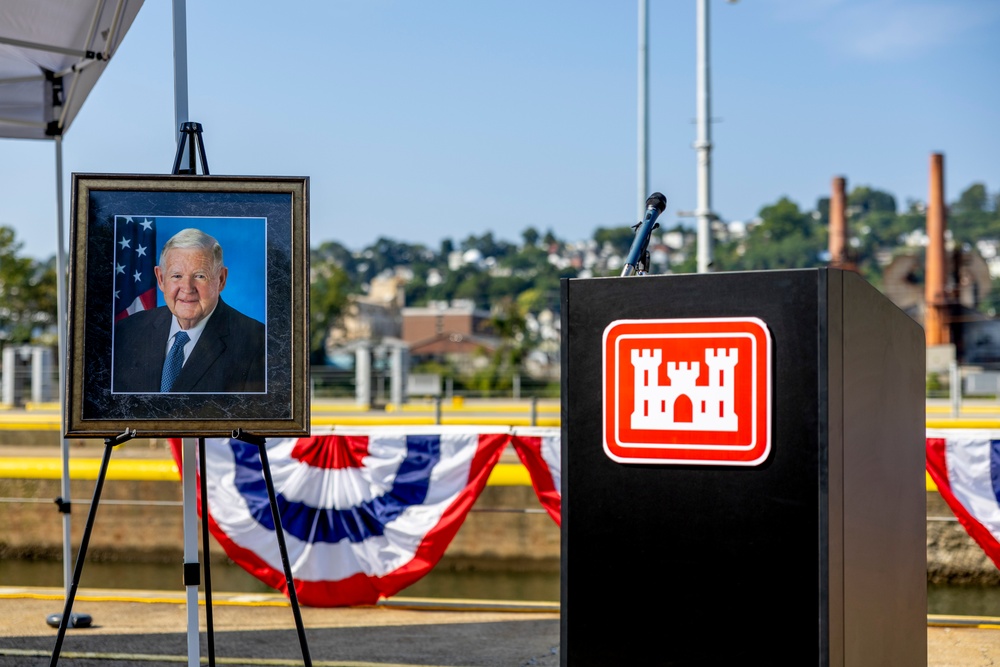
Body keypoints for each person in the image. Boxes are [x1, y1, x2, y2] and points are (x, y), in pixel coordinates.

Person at [112, 228, 265, 393]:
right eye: (176, 276)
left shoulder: (259, 343)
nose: (187, 288)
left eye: (200, 276)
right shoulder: (126, 332)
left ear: (221, 279)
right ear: (161, 279)